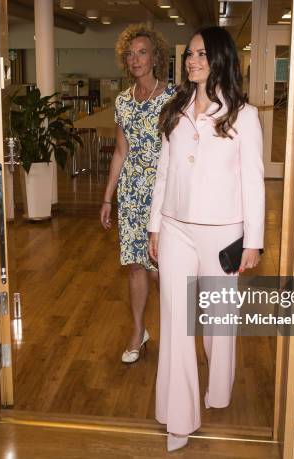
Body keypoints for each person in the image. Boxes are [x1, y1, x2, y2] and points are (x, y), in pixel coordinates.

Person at [147, 26, 265, 451]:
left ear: (219, 59)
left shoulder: (244, 116)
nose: (193, 61)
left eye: (201, 54)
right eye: (190, 55)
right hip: (176, 226)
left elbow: (254, 182)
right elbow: (164, 171)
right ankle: (180, 417)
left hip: (223, 233)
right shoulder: (175, 111)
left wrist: (254, 240)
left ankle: (218, 391)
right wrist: (155, 225)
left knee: (217, 324)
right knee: (177, 320)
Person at [100, 24, 176, 363]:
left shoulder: (173, 98)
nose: (135, 59)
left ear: (155, 56)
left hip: (164, 195)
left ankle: (175, 335)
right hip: (131, 195)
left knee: (164, 268)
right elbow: (120, 151)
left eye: (142, 52)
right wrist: (107, 198)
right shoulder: (123, 102)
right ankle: (138, 332)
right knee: (135, 266)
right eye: (130, 54)